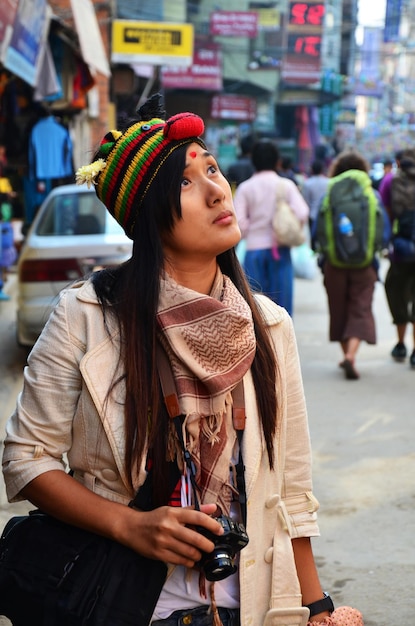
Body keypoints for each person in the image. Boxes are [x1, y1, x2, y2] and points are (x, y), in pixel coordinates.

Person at [2, 95, 360, 626]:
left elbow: (289, 489)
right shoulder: (86, 315)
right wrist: (130, 526)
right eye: (186, 182)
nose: (218, 189)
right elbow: (26, 458)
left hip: (249, 606)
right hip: (124, 602)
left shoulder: (270, 327)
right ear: (148, 215)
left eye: (212, 168)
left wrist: (316, 606)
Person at [313, 150, 390, 380]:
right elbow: (383, 232)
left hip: (333, 263)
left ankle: (346, 353)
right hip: (365, 264)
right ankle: (352, 355)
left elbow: (316, 228)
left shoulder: (329, 194)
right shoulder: (371, 195)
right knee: (360, 308)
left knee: (339, 309)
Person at [233, 138, 309, 317]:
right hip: (280, 252)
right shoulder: (286, 185)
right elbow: (302, 213)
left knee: (255, 309)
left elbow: (239, 222)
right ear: (277, 161)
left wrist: (253, 229)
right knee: (281, 311)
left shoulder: (245, 188)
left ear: (254, 161)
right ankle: (280, 344)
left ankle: (259, 344)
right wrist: (284, 228)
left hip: (253, 252)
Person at [381, 148, 415, 368]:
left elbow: (384, 215)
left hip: (401, 251)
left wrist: (386, 244)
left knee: (395, 290)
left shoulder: (388, 182)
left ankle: (401, 343)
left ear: (398, 163)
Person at [301, 160, 329, 234]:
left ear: (312, 170)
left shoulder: (307, 183)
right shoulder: (328, 182)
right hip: (326, 213)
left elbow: (306, 200)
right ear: (322, 170)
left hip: (312, 215)